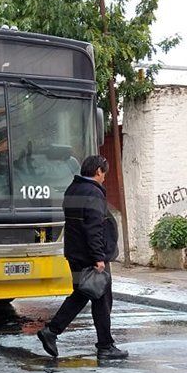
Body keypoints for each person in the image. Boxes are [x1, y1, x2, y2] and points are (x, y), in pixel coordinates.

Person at [37, 155, 128, 361]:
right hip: (90, 256)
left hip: (75, 254)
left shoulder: (73, 189)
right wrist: (98, 257)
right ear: (98, 171)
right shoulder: (93, 192)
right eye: (104, 173)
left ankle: (52, 331)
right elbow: (93, 227)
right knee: (101, 299)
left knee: (83, 294)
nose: (104, 177)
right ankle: (105, 346)